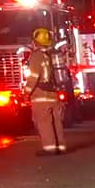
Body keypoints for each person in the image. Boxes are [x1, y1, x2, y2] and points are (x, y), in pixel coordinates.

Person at [25, 27, 67, 155]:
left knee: (43, 122)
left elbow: (33, 77)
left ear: (36, 42)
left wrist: (26, 92)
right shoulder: (52, 54)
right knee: (56, 122)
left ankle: (49, 148)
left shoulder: (37, 56)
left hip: (41, 95)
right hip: (54, 94)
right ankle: (60, 146)